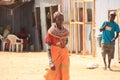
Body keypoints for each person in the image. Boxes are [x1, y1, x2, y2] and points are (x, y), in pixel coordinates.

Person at [44, 11, 70, 80]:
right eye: (59, 19)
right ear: (55, 20)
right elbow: (48, 48)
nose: (61, 21)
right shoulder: (51, 32)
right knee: (54, 75)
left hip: (64, 56)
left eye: (62, 19)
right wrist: (50, 62)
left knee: (65, 73)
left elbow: (66, 41)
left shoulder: (65, 31)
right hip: (55, 57)